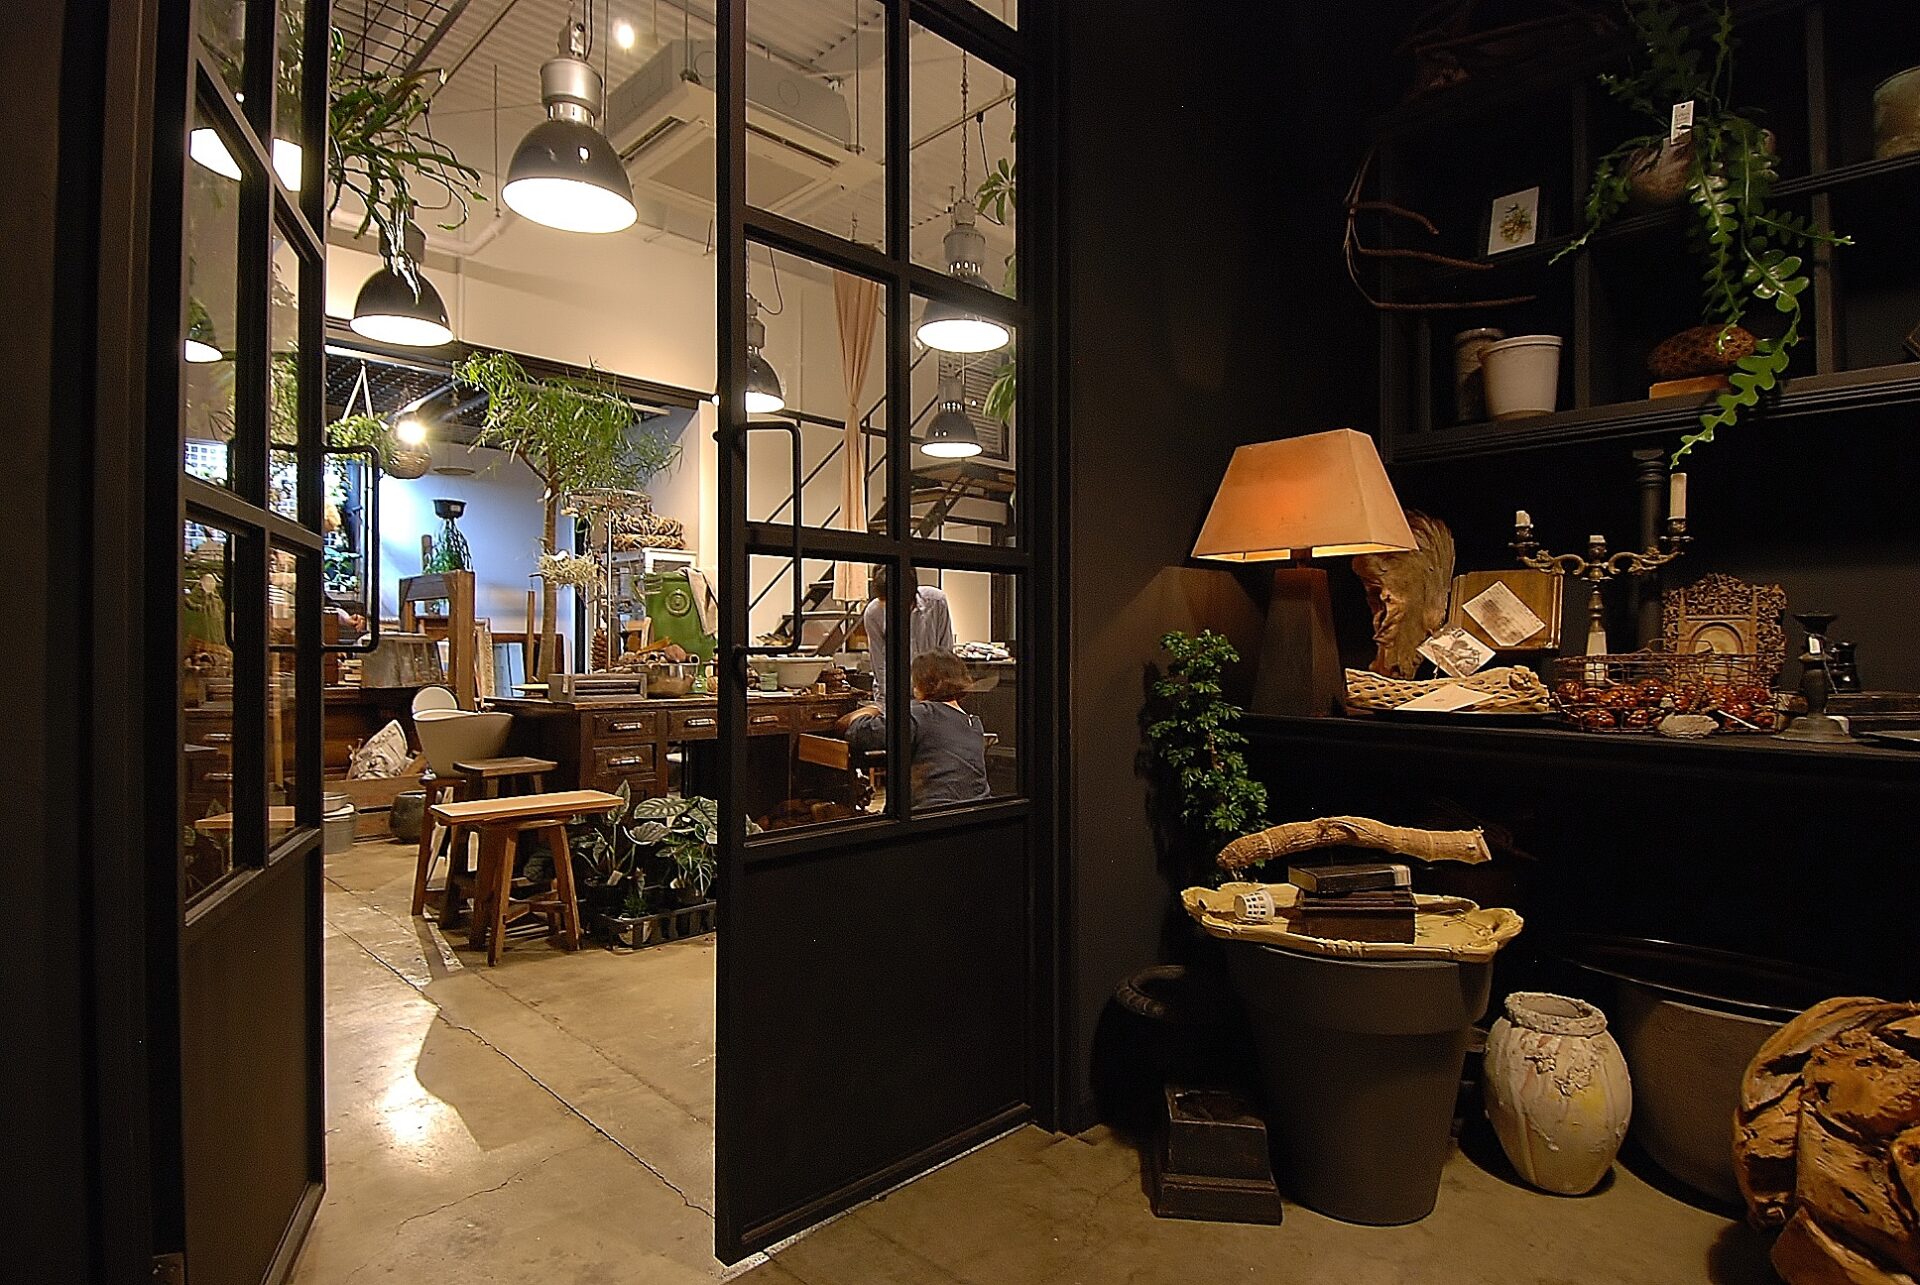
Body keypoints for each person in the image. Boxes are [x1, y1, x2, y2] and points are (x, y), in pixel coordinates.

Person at [842, 650, 989, 809]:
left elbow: (861, 733)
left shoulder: (923, 713)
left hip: (931, 815)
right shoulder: (973, 723)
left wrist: (872, 709)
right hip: (976, 812)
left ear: (924, 682)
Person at [861, 566, 954, 706]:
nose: (888, 608)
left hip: (934, 694)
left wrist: (939, 699)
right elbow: (881, 669)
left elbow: (946, 654)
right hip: (893, 695)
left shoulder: (936, 601)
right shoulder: (874, 613)